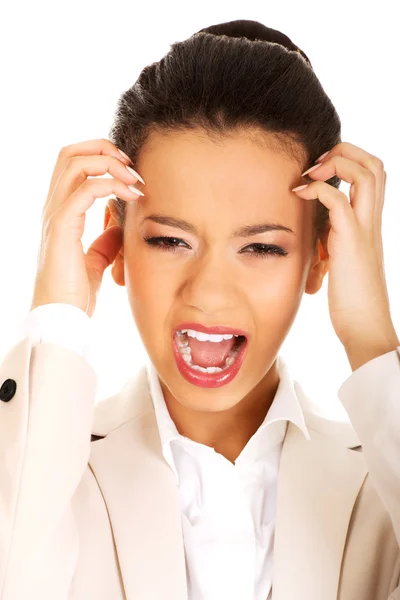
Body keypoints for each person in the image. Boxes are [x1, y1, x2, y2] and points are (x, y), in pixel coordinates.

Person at [1, 18, 400, 600]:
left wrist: (372, 340)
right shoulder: (47, 467)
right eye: (169, 240)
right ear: (117, 241)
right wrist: (57, 316)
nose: (209, 292)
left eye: (262, 247)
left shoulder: (380, 482)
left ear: (320, 259)